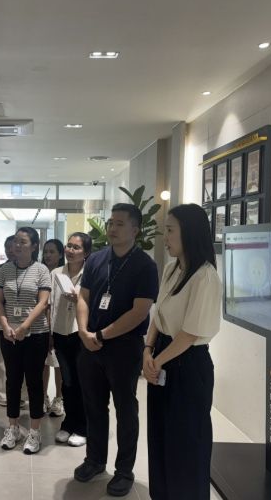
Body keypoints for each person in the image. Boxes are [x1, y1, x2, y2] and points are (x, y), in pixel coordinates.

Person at [74, 203, 159, 497]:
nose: (112, 228)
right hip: (90, 344)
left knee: (125, 409)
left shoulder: (145, 266)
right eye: (110, 222)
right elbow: (83, 298)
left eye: (120, 223)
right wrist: (84, 332)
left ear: (136, 229)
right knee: (93, 406)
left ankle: (124, 471)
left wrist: (102, 334)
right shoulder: (97, 259)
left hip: (124, 347)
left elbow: (140, 312)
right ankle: (95, 460)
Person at [143, 203, 221, 500]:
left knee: (187, 442)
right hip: (162, 353)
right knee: (161, 436)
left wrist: (156, 361)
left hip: (188, 364)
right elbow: (158, 314)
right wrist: (148, 350)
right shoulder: (171, 268)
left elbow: (189, 334)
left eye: (170, 230)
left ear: (189, 232)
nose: (165, 237)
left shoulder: (205, 276)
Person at [0, 227, 51, 454]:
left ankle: (35, 431)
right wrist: (5, 324)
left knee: (34, 382)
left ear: (34, 246)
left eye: (23, 242)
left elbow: (43, 302)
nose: (17, 245)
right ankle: (13, 428)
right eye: (15, 241)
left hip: (35, 334)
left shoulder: (41, 270)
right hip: (9, 333)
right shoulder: (4, 270)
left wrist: (25, 326)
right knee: (12, 381)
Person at [50, 232, 92, 447]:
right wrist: (49, 333)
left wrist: (79, 299)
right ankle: (69, 422)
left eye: (76, 247)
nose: (70, 250)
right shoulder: (56, 273)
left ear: (86, 252)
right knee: (67, 381)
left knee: (82, 381)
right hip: (60, 332)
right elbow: (50, 305)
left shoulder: (90, 274)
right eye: (68, 246)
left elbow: (96, 305)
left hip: (80, 333)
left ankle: (83, 427)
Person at [42, 238, 65, 417]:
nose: (48, 255)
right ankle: (43, 397)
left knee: (58, 364)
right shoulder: (39, 271)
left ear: (60, 254)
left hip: (59, 326)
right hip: (39, 325)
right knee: (43, 364)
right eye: (46, 252)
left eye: (52, 252)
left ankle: (59, 398)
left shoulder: (64, 274)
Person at [0, 234, 16, 406]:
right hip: (3, 318)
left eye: (13, 246)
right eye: (7, 247)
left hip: (25, 319)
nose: (10, 250)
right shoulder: (0, 269)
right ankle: (3, 395)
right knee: (2, 358)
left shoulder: (33, 268)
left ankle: (21, 394)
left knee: (22, 359)